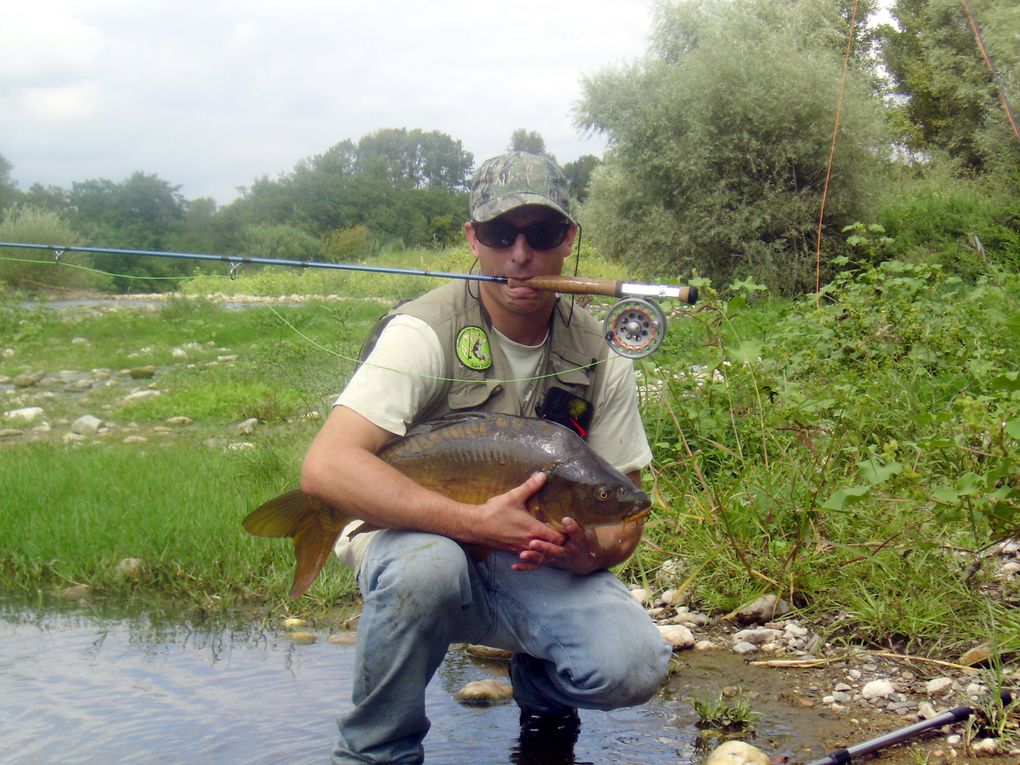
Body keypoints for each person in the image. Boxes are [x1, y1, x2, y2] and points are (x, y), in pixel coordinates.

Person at [300, 151, 672, 765]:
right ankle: (376, 752)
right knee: (428, 567)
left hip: (530, 562)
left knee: (631, 667)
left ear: (568, 241)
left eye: (542, 234)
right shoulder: (423, 331)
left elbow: (625, 505)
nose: (520, 255)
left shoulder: (604, 354)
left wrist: (592, 552)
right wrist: (473, 524)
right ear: (473, 239)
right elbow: (327, 468)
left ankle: (541, 695)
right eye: (501, 234)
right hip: (417, 543)